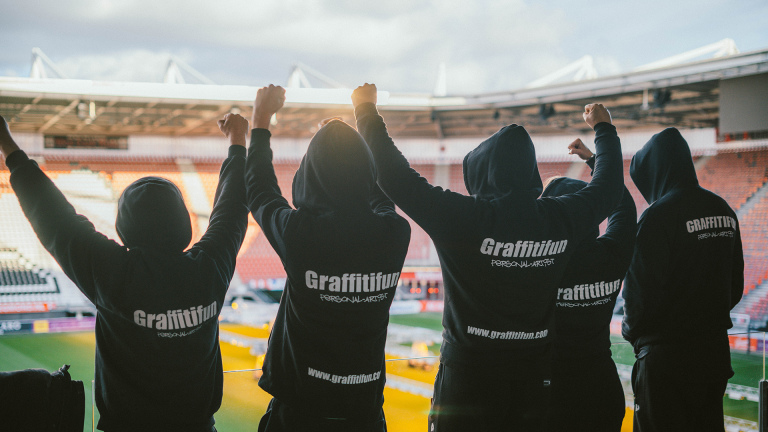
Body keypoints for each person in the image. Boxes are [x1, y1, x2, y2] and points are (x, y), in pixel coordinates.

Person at [351, 83, 625, 432]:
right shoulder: (560, 218)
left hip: (468, 383)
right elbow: (610, 188)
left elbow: (394, 175)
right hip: (532, 384)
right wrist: (604, 128)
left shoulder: (462, 217)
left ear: (483, 174)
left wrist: (365, 110)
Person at [0, 113, 250, 432]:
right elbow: (232, 207)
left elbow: (53, 217)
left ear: (125, 228)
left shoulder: (113, 272)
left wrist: (6, 142)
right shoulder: (211, 266)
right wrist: (237, 139)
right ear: (183, 224)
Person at [244, 85, 410, 432]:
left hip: (299, 413)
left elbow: (259, 190)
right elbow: (380, 196)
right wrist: (350, 144)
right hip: (364, 413)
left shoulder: (300, 233)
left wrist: (260, 120)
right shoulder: (395, 233)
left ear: (308, 174)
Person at [621, 128, 744, 432]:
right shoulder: (723, 210)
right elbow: (735, 285)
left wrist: (634, 336)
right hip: (713, 354)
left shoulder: (657, 216)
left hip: (666, 362)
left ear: (657, 170)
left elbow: (638, 296)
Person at [542, 139, 637, 432]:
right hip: (602, 390)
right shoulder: (611, 253)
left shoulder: (541, 263)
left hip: (553, 395)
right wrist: (595, 160)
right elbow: (623, 205)